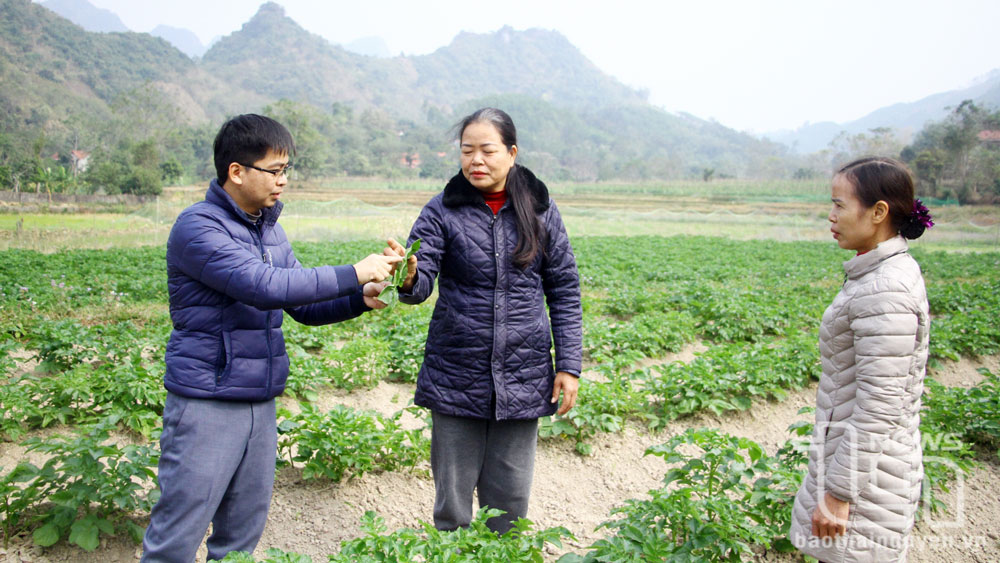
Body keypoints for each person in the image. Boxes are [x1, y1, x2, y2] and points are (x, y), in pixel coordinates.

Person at [141, 114, 401, 562]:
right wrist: (353, 271)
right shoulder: (198, 228)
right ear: (236, 171)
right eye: (274, 170)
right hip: (208, 400)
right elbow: (263, 287)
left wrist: (362, 296)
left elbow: (302, 305)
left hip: (259, 402)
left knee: (239, 540)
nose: (283, 182)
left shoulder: (269, 230)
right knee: (176, 539)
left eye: (286, 171)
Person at [387, 107, 582, 535]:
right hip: (457, 374)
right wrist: (409, 274)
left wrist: (569, 365)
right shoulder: (441, 211)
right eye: (467, 150)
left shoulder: (542, 211)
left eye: (487, 150)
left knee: (510, 503)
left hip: (523, 375)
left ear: (511, 153)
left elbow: (564, 290)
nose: (476, 160)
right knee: (452, 505)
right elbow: (419, 287)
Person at [790, 157, 933, 562]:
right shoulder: (879, 273)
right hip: (862, 469)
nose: (831, 216)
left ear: (878, 212)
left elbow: (878, 406)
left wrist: (839, 494)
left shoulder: (884, 289)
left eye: (839, 204)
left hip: (869, 483)